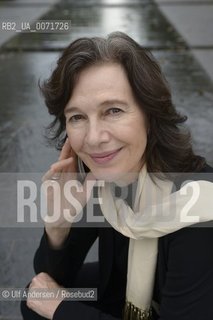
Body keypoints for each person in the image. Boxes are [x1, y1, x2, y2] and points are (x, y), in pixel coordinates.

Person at [21, 32, 213, 320]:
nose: (94, 138)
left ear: (150, 114)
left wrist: (62, 309)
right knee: (33, 298)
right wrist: (58, 227)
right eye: (77, 117)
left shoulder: (200, 209)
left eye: (113, 110)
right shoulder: (103, 179)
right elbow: (53, 274)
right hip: (126, 293)